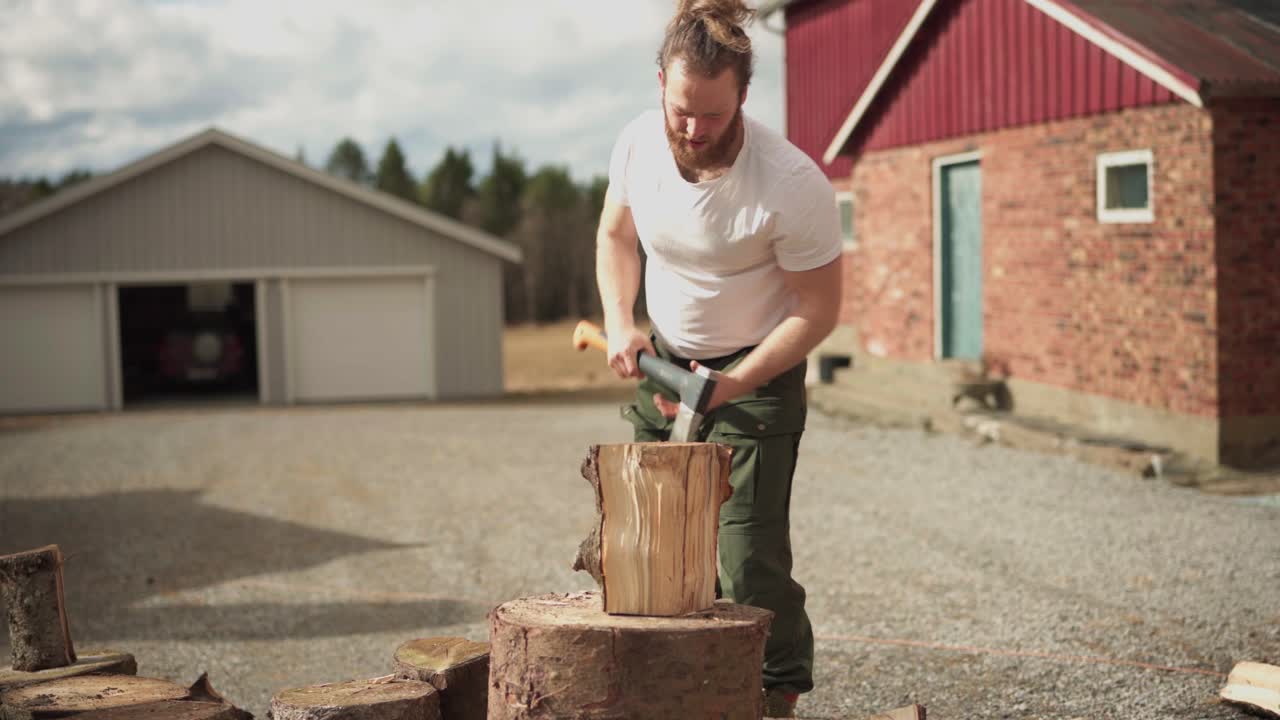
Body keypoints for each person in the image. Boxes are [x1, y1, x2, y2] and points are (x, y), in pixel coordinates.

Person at [594, 0, 843, 715]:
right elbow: (615, 236)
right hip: (667, 363)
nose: (692, 130)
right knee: (644, 535)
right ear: (661, 87)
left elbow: (818, 310)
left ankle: (775, 692)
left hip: (755, 374)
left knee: (747, 557)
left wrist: (737, 381)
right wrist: (620, 323)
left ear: (742, 95)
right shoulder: (640, 144)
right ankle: (658, 685)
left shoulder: (790, 184)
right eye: (680, 110)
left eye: (710, 114)